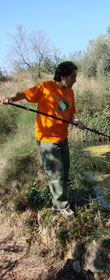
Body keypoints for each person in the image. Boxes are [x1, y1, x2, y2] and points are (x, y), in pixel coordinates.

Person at [0, 61, 86, 220]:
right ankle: (63, 206)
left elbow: (70, 114)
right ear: (64, 76)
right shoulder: (45, 87)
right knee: (56, 173)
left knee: (64, 171)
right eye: (73, 77)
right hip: (47, 139)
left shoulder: (70, 93)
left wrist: (76, 121)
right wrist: (9, 98)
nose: (75, 80)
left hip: (62, 138)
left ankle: (56, 202)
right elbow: (24, 94)